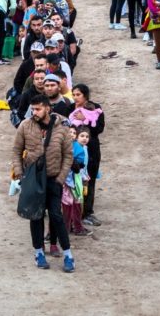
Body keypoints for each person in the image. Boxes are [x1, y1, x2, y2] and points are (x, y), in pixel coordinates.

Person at [11, 95, 75, 272]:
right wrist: (20, 174)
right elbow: (16, 151)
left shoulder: (62, 126)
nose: (34, 112)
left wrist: (61, 178)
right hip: (33, 179)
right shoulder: (26, 125)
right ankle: (39, 252)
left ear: (48, 108)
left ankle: (68, 254)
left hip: (54, 179)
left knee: (56, 216)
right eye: (32, 109)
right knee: (36, 216)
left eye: (38, 109)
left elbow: (68, 155)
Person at [69, 84, 104, 227]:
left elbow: (99, 128)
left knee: (89, 180)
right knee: (73, 181)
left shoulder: (95, 108)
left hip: (92, 150)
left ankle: (88, 212)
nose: (75, 97)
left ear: (85, 95)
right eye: (74, 94)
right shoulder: (70, 108)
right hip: (73, 151)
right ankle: (74, 213)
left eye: (78, 95)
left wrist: (85, 118)